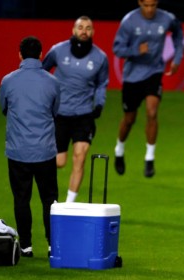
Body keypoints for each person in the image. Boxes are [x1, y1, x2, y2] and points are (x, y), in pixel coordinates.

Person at [0, 36, 61, 258]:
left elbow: (4, 108)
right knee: (50, 200)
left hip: (18, 151)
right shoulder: (52, 82)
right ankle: (54, 245)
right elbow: (55, 111)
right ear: (42, 54)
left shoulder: (8, 80)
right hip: (44, 151)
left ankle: (25, 246)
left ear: (20, 54)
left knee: (21, 199)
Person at [112, 0, 184, 177]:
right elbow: (117, 49)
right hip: (132, 76)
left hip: (154, 72)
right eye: (146, 5)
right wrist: (136, 50)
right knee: (129, 119)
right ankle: (119, 150)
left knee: (152, 112)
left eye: (153, 5)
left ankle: (149, 158)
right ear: (140, 3)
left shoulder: (167, 18)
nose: (150, 9)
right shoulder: (129, 21)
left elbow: (178, 34)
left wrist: (177, 57)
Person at [42, 16, 109, 202]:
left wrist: (100, 104)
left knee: (80, 156)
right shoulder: (58, 50)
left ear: (93, 32)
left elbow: (102, 83)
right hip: (60, 114)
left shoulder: (100, 58)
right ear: (73, 30)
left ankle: (68, 204)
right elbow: (41, 71)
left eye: (88, 28)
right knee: (59, 162)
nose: (84, 31)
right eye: (80, 27)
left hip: (84, 115)